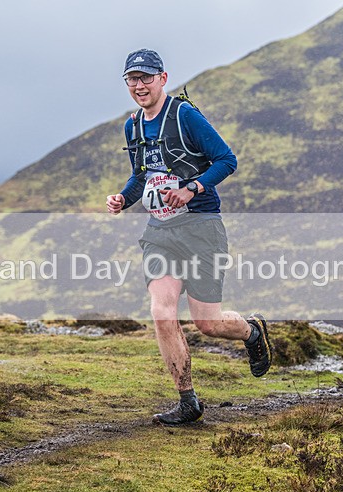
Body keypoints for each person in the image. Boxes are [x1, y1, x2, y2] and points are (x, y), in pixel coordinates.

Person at [106, 49, 273, 426]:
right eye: (132, 79)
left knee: (208, 323)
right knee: (161, 312)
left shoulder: (184, 116)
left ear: (163, 79)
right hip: (160, 232)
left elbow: (227, 160)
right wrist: (123, 199)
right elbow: (141, 176)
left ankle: (251, 332)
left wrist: (192, 188)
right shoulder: (133, 126)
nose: (139, 86)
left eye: (146, 78)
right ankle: (187, 401)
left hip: (201, 228)